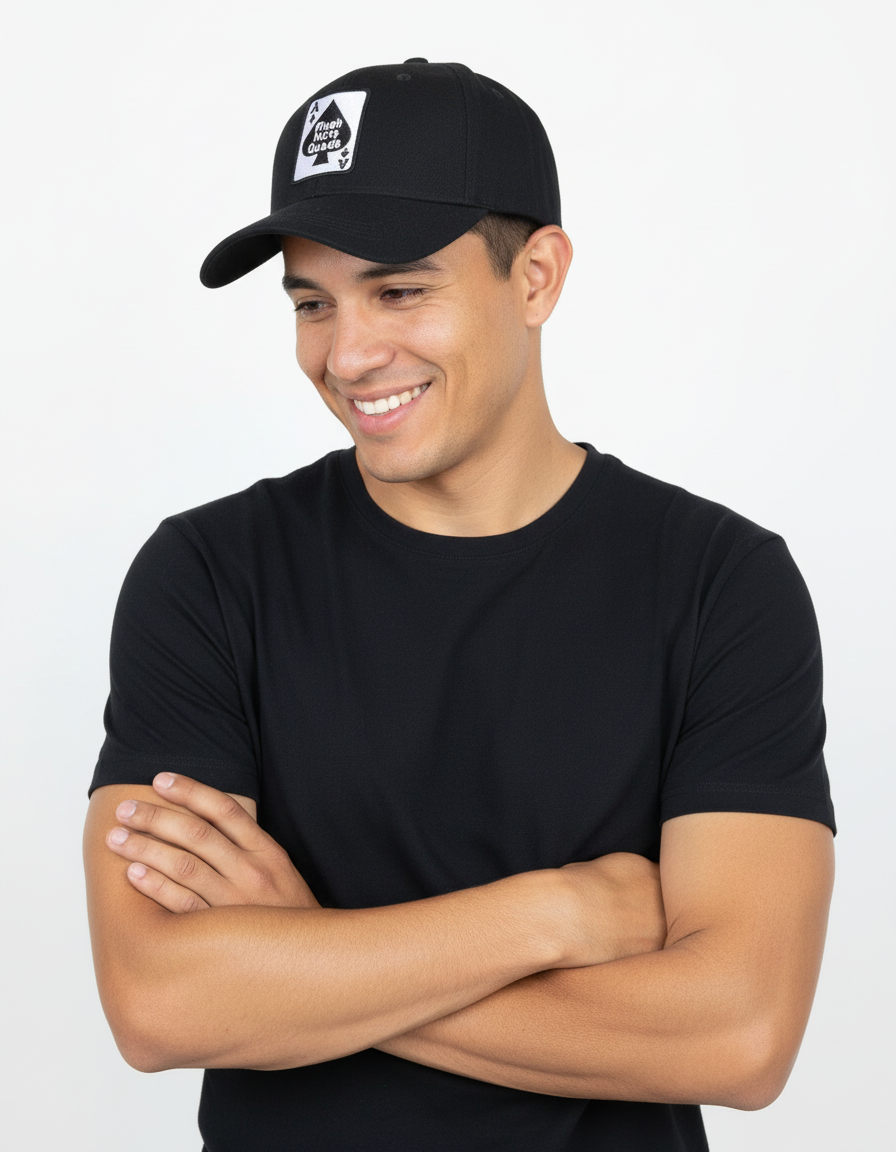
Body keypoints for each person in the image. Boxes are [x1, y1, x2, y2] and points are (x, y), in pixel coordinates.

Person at [83, 59, 835, 1152]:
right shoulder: (208, 574)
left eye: (398, 289)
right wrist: (555, 915)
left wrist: (304, 958)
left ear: (535, 277)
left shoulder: (719, 582)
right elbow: (158, 1004)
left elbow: (737, 1036)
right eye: (310, 302)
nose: (346, 354)